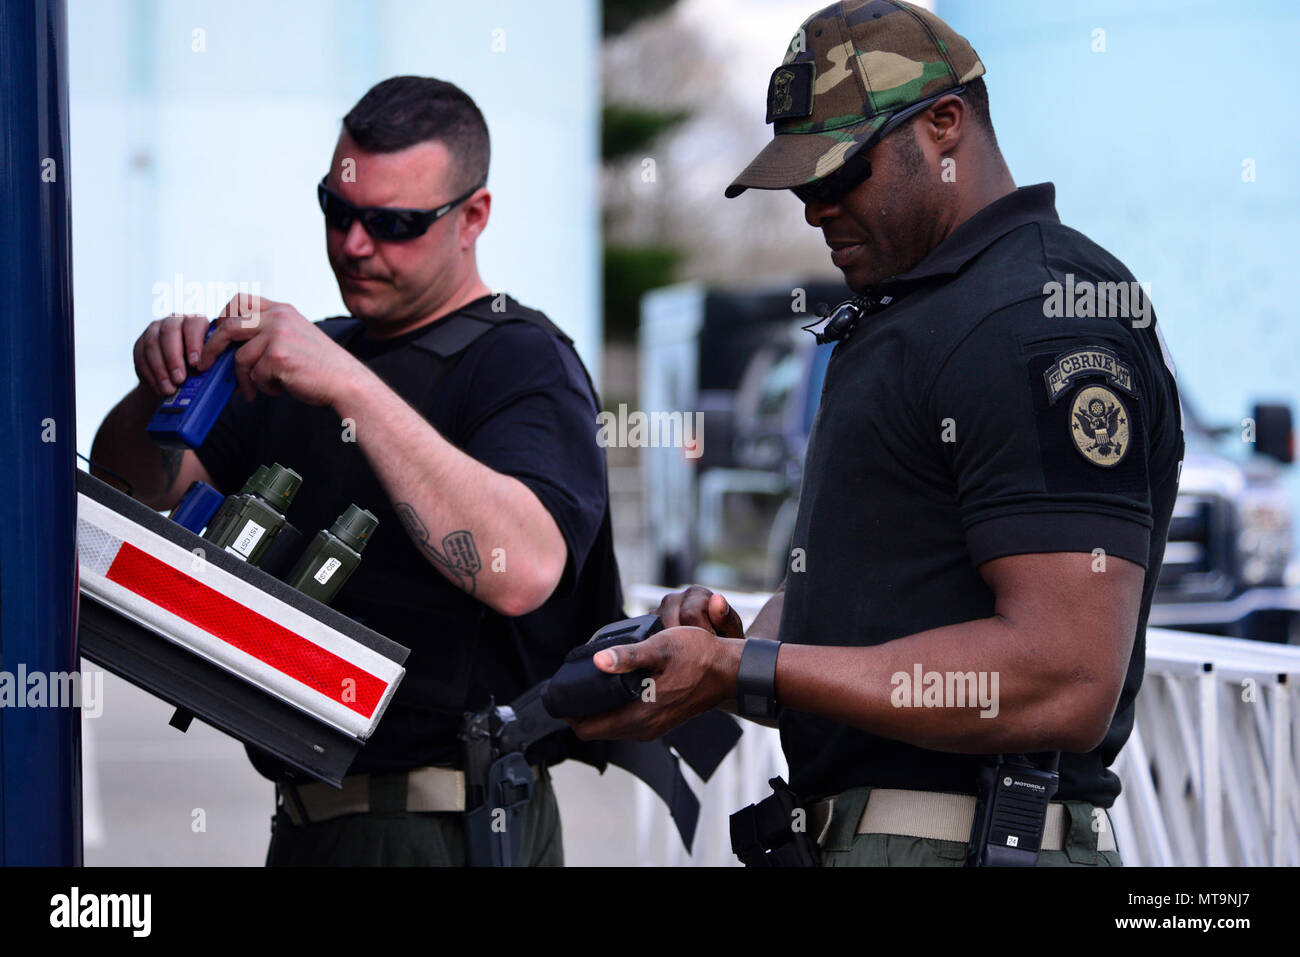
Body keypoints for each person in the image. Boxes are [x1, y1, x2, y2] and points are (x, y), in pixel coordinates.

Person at [569, 0, 1184, 867]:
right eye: (801, 187)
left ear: (943, 126)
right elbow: (868, 645)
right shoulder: (915, 310)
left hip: (969, 839)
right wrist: (729, 649)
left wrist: (752, 670)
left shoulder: (1036, 318)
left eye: (836, 175)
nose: (814, 211)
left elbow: (1065, 675)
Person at [90, 75, 623, 866]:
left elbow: (525, 567)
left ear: (473, 216)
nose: (354, 244)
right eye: (337, 212)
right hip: (312, 817)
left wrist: (349, 386)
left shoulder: (521, 360)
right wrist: (157, 388)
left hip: (451, 822)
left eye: (395, 222)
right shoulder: (306, 358)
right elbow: (133, 485)